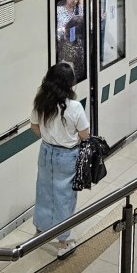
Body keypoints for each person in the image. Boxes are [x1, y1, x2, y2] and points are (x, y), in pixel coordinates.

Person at [30, 63, 89, 258]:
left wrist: (50, 136)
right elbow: (85, 134)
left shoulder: (41, 102)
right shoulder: (74, 107)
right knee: (64, 197)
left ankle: (41, 230)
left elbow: (35, 127)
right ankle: (63, 242)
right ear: (69, 84)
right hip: (67, 155)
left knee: (44, 190)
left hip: (46, 152)